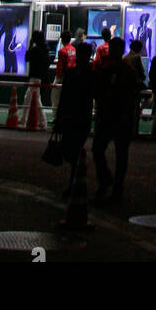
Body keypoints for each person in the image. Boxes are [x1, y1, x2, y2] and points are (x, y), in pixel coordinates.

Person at [91, 36, 138, 200]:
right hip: (121, 117)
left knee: (99, 149)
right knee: (120, 154)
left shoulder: (109, 68)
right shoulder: (127, 69)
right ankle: (116, 185)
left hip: (110, 116)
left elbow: (97, 90)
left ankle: (108, 181)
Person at [54, 42, 94, 196]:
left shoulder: (74, 74)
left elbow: (64, 97)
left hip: (74, 116)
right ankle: (75, 182)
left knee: (74, 150)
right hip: (79, 116)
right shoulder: (90, 74)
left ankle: (73, 183)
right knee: (73, 150)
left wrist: (59, 116)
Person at [125, 38, 152, 135]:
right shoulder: (137, 57)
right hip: (136, 85)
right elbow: (142, 73)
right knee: (150, 96)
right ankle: (140, 109)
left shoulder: (125, 57)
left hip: (126, 85)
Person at [27, 31, 51, 104]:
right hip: (44, 77)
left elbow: (27, 58)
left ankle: (40, 115)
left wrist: (30, 46)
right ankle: (28, 114)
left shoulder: (35, 50)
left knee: (34, 98)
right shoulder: (45, 49)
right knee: (32, 97)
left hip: (35, 77)